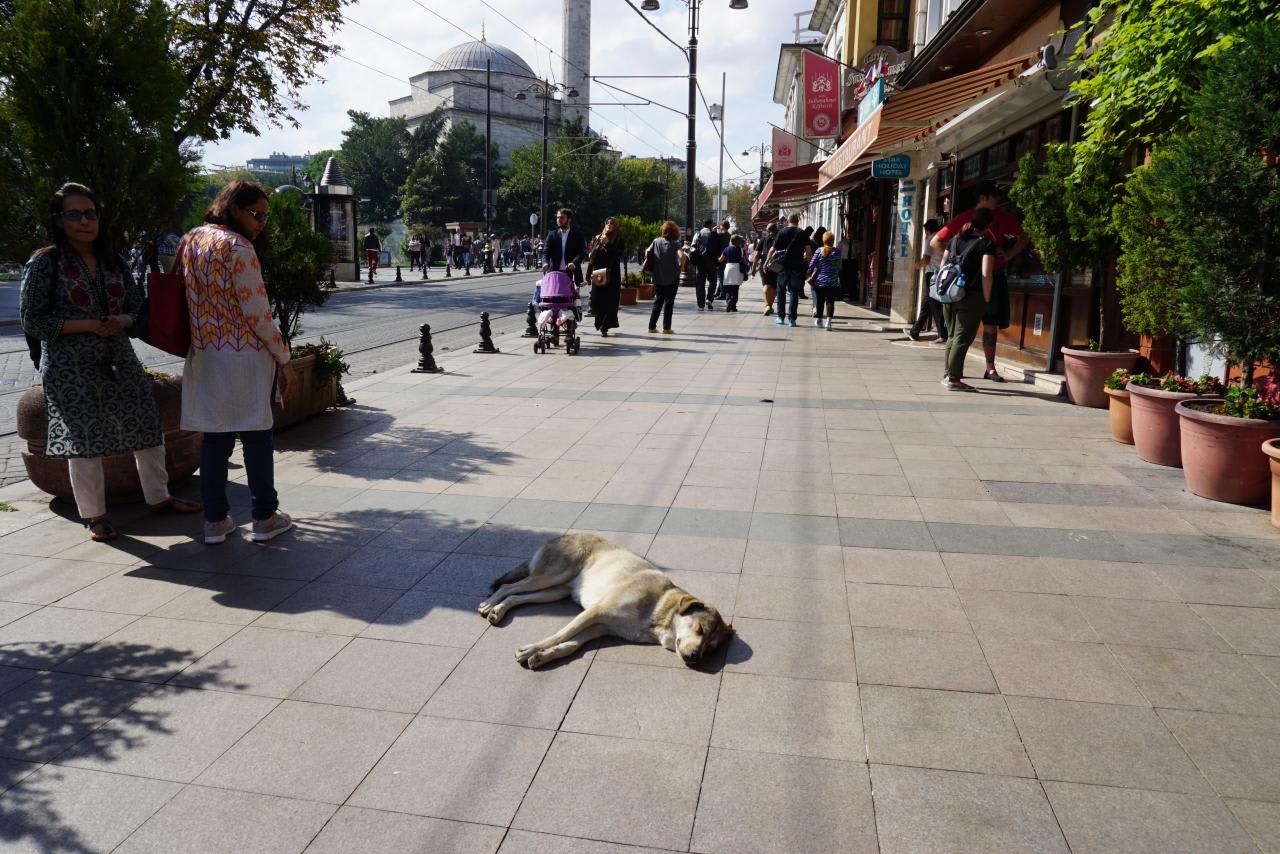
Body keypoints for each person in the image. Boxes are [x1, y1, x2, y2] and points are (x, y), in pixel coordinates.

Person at [19, 182, 200, 541]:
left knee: (147, 427)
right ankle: (95, 516)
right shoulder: (45, 262)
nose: (85, 221)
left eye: (91, 213)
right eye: (74, 214)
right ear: (59, 220)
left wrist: (123, 320)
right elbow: (32, 320)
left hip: (119, 359)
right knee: (83, 441)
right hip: (70, 367)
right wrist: (87, 325)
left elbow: (137, 308)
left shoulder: (113, 261)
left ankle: (159, 498)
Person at [179, 180, 294, 544]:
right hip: (244, 356)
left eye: (264, 216)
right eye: (256, 214)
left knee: (215, 440)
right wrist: (284, 357)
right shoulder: (239, 247)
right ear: (233, 208)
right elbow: (258, 313)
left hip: (205, 354)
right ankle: (265, 517)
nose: (261, 223)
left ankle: (214, 521)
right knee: (257, 437)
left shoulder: (191, 240)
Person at [931, 181, 1028, 382]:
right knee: (960, 331)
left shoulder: (1003, 217)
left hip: (991, 276)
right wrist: (960, 263)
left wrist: (1008, 255)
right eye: (995, 196)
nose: (998, 200)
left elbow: (1024, 237)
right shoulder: (963, 219)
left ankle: (987, 368)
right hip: (968, 282)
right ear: (983, 198)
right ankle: (953, 375)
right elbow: (936, 241)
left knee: (988, 324)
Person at [939, 208, 998, 391]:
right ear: (988, 226)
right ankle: (954, 379)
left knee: (952, 335)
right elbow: (986, 274)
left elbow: (943, 265)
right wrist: (986, 298)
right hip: (971, 295)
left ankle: (948, 374)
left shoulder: (955, 240)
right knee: (962, 337)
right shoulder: (986, 244)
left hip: (949, 293)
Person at [906, 219, 947, 343]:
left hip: (932, 274)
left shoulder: (930, 240)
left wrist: (917, 265)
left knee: (934, 303)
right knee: (928, 303)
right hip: (942, 273)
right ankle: (915, 331)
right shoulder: (942, 238)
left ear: (927, 230)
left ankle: (942, 334)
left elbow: (926, 260)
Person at [765, 214, 808, 326]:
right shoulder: (803, 233)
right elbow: (808, 251)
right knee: (794, 292)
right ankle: (792, 319)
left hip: (782, 267)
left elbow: (772, 250)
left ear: (788, 221)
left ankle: (780, 317)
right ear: (798, 221)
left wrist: (766, 262)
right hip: (797, 267)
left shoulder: (782, 232)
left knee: (781, 291)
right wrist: (809, 265)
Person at [645, 220, 684, 334]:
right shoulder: (675, 244)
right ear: (675, 231)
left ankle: (651, 327)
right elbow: (682, 256)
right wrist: (680, 267)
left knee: (658, 301)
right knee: (669, 302)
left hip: (658, 276)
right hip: (673, 277)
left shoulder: (656, 241)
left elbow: (647, 251)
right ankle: (666, 328)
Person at [587, 216, 623, 336]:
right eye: (607, 223)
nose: (609, 225)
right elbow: (592, 257)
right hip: (598, 274)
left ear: (615, 226)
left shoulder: (618, 239)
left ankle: (605, 326)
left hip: (612, 275)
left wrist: (608, 244)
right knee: (597, 301)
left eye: (612, 223)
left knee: (610, 301)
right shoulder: (598, 238)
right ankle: (600, 322)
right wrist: (588, 273)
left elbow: (617, 256)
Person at [806, 230, 843, 329]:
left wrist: (808, 273)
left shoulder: (819, 251)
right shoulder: (837, 252)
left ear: (823, 240)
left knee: (820, 301)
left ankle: (819, 321)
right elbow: (840, 266)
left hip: (820, 281)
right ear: (833, 241)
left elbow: (812, 264)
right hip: (833, 281)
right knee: (830, 301)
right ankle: (829, 322)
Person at [544, 208, 587, 287]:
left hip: (572, 273)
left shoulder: (578, 235)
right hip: (555, 273)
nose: (559, 220)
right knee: (555, 294)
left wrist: (574, 262)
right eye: (558, 217)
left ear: (569, 219)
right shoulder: (551, 235)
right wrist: (545, 263)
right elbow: (546, 252)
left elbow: (581, 253)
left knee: (571, 295)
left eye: (562, 217)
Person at [691, 219, 723, 310]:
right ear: (710, 225)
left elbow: (693, 246)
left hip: (701, 261)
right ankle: (709, 298)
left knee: (700, 282)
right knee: (713, 281)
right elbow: (719, 248)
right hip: (712, 261)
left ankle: (701, 305)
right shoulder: (714, 234)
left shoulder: (698, 234)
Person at [752, 222, 779, 316]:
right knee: (774, 287)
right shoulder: (779, 239)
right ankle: (770, 306)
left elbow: (757, 255)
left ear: (768, 230)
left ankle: (767, 305)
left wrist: (753, 267)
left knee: (766, 285)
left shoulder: (763, 239)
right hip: (777, 265)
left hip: (764, 265)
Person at [718, 234, 747, 312]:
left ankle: (728, 300)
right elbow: (744, 259)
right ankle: (733, 306)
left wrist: (716, 258)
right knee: (736, 288)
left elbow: (720, 260)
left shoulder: (726, 249)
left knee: (728, 288)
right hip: (738, 268)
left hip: (729, 268)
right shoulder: (740, 249)